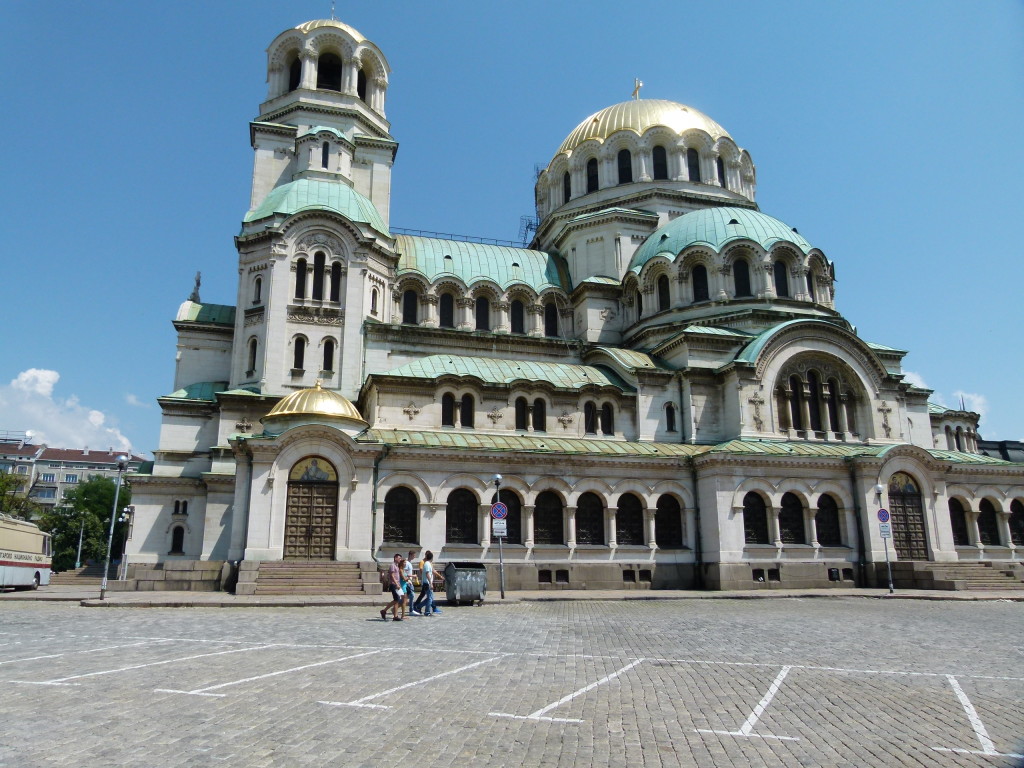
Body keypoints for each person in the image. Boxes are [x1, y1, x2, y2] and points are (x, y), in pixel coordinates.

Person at [413, 550, 442, 616]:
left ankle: (419, 606)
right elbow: (427, 573)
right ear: (432, 558)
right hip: (427, 583)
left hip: (427, 583)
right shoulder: (427, 564)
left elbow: (431, 572)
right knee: (429, 598)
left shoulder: (428, 564)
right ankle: (427, 611)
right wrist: (430, 583)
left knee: (430, 598)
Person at [379, 553, 404, 622]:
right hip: (393, 585)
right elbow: (392, 576)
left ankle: (395, 616)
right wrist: (396, 584)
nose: (400, 560)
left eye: (400, 558)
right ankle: (384, 610)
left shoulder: (397, 566)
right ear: (395, 558)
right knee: (396, 599)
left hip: (397, 585)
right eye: (399, 558)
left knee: (397, 600)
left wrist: (399, 584)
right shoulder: (392, 565)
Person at [403, 550, 420, 615]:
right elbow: (404, 572)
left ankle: (395, 606)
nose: (414, 557)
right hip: (408, 582)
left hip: (409, 581)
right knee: (412, 595)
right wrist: (411, 577)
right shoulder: (407, 563)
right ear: (410, 555)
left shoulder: (409, 563)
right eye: (414, 555)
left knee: (406, 597)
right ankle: (411, 610)